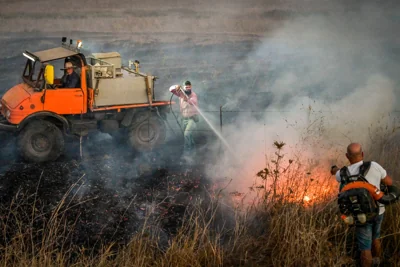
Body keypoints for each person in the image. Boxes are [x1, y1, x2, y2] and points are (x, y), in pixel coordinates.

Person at [331, 143, 393, 267]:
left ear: (347, 156)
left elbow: (336, 172)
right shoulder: (374, 166)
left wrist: (334, 168)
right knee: (376, 237)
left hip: (361, 215)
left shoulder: (343, 173)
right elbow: (389, 182)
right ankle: (377, 261)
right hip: (379, 210)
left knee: (365, 247)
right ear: (363, 154)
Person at [169, 80, 199, 159]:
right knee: (189, 136)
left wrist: (186, 99)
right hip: (184, 119)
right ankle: (194, 151)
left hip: (192, 119)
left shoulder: (193, 95)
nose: (188, 89)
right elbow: (171, 89)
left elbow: (193, 102)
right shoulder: (180, 93)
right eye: (186, 87)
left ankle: (187, 154)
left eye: (189, 87)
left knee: (187, 134)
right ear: (183, 87)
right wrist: (177, 86)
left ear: (191, 87)